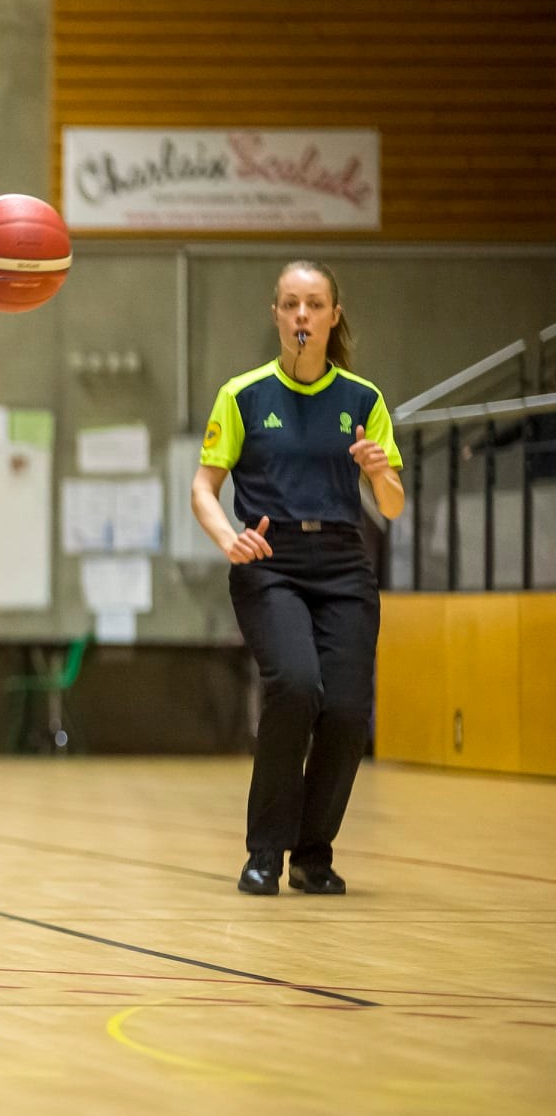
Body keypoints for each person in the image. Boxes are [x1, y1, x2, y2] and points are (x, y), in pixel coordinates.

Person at [191, 259, 403, 897]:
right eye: (291, 305)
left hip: (342, 562)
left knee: (345, 710)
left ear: (334, 315)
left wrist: (377, 471)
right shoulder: (243, 394)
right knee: (295, 684)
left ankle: (314, 853)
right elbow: (204, 486)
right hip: (269, 560)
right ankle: (265, 849)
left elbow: (392, 506)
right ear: (276, 315)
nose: (303, 316)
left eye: (314, 304)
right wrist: (229, 539)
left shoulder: (363, 399)